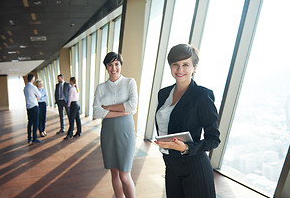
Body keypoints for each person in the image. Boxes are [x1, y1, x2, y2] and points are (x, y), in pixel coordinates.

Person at [154, 44, 220, 198]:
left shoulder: (202, 95)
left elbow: (213, 139)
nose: (179, 70)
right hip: (170, 165)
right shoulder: (163, 94)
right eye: (175, 64)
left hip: (195, 167)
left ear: (194, 67)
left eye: (185, 65)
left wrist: (186, 148)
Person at [93, 52, 138, 198]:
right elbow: (96, 112)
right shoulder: (101, 87)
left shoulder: (130, 82)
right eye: (110, 65)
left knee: (125, 176)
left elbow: (132, 105)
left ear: (121, 65)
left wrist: (108, 108)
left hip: (126, 131)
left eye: (116, 64)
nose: (114, 68)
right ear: (106, 67)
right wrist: (121, 111)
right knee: (114, 173)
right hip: (108, 132)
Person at [23, 74, 44, 144]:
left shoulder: (25, 87)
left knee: (30, 123)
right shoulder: (33, 87)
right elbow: (39, 95)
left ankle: (29, 138)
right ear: (32, 79)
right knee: (35, 122)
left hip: (28, 107)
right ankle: (35, 138)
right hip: (34, 106)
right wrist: (36, 96)